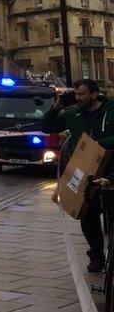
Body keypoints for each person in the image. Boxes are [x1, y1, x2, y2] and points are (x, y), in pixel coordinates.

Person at [41, 79, 114, 272]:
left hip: (110, 171)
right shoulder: (73, 113)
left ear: (94, 94)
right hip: (85, 171)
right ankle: (97, 255)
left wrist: (95, 144)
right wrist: (56, 107)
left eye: (82, 94)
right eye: (76, 94)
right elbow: (47, 126)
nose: (78, 98)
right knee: (88, 217)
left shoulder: (111, 110)